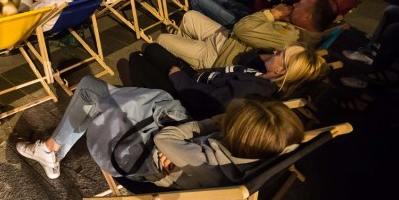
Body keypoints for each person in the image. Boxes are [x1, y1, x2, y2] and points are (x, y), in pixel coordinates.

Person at [16, 76, 304, 186]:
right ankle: (53, 148)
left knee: (90, 90)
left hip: (137, 156)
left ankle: (50, 150)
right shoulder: (265, 151)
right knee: (94, 95)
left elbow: (164, 139)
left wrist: (212, 123)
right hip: (159, 148)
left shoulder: (204, 159)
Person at [127, 42, 328, 119]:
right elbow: (245, 60)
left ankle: (145, 104)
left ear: (281, 70)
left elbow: (204, 101)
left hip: (188, 98)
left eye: (281, 54)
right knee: (152, 49)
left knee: (136, 60)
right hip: (199, 79)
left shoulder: (252, 88)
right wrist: (266, 60)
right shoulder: (262, 74)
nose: (275, 52)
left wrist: (177, 76)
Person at [156, 0, 338, 70]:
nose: (295, 4)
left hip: (221, 56)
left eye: (300, 5)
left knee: (163, 39)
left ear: (307, 17)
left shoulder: (292, 38)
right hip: (230, 41)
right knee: (190, 16)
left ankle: (189, 61)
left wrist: (274, 14)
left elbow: (242, 28)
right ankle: (185, 50)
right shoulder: (302, 30)